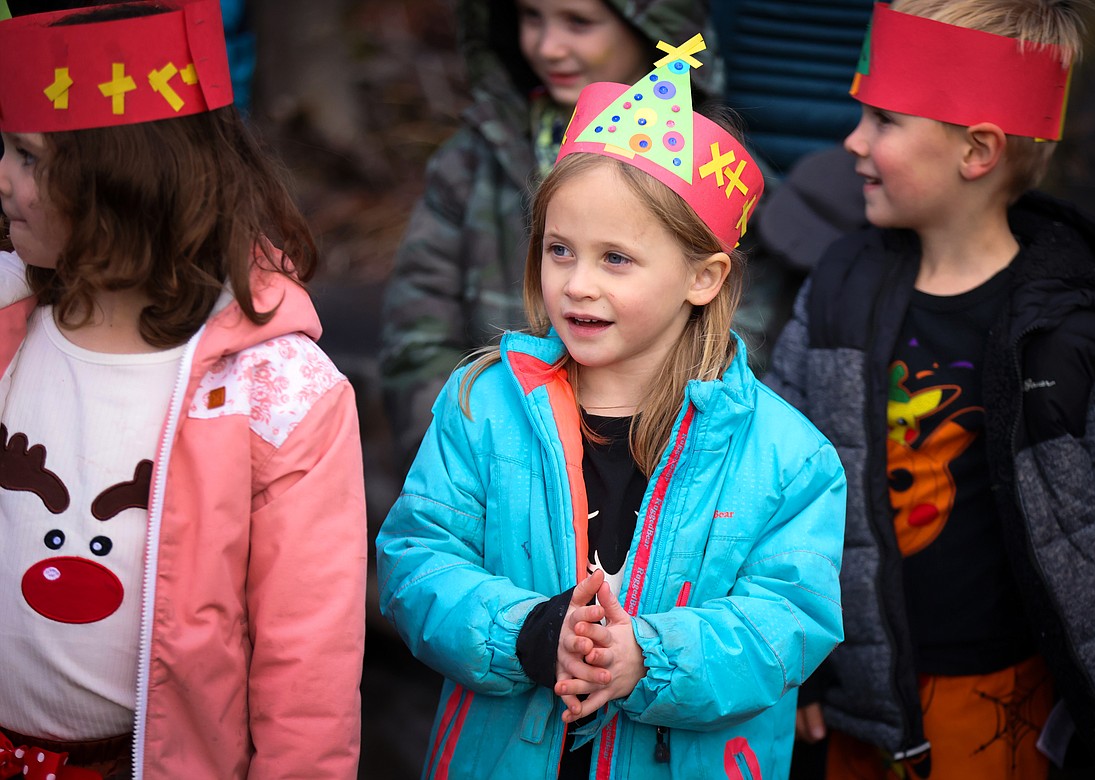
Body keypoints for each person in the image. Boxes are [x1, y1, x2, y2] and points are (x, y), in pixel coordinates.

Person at [377, 36, 846, 779]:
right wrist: (531, 635)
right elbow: (414, 565)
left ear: (704, 276)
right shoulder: (481, 406)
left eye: (615, 259)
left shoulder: (789, 460)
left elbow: (787, 623)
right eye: (559, 249)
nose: (576, 285)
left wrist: (648, 659)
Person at [765, 1, 1095, 778]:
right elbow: (778, 486)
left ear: (976, 150)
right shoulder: (838, 292)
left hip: (1005, 699)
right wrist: (799, 659)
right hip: (859, 695)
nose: (852, 140)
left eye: (883, 120)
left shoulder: (1084, 337)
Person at [0, 2, 367, 778]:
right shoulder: (6, 319)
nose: (4, 178)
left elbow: (307, 662)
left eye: (29, 158)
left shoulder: (279, 392)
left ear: (123, 185)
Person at [378, 0, 726, 477]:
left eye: (579, 22)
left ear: (647, 27)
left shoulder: (712, 173)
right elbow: (418, 332)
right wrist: (468, 461)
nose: (548, 46)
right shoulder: (471, 164)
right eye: (530, 16)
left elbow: (732, 338)